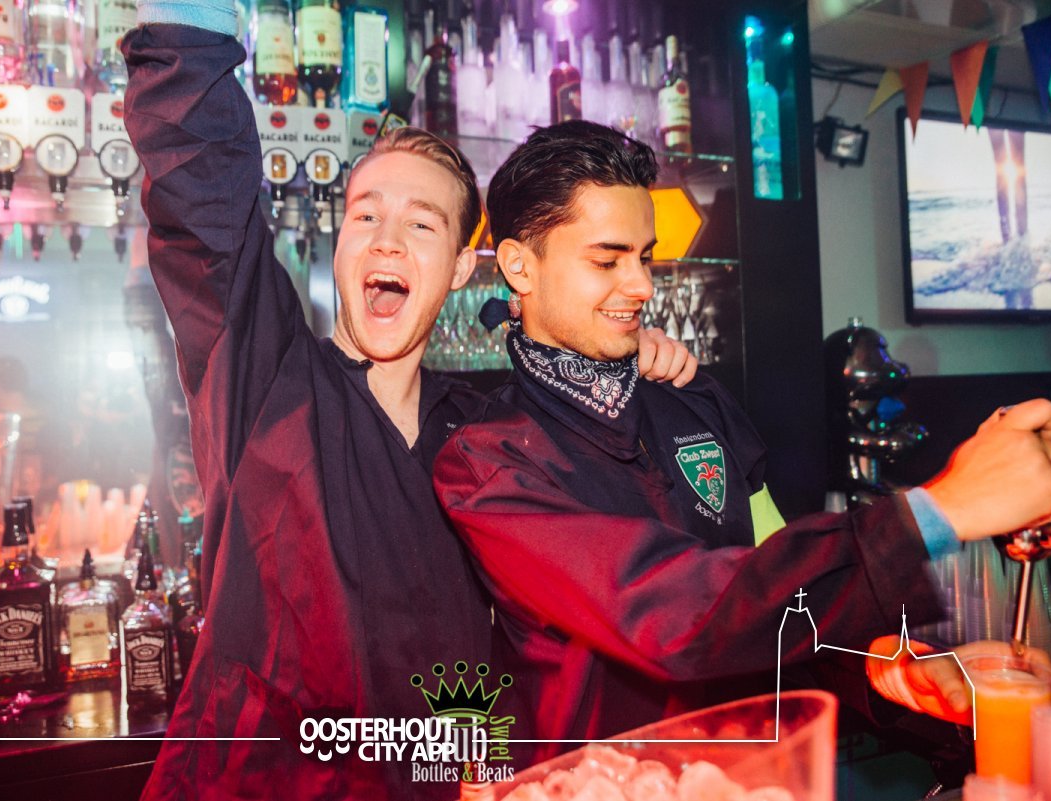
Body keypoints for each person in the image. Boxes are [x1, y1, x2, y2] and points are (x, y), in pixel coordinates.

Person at [121, 9, 696, 799]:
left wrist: (630, 359)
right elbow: (203, 197)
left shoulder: (492, 434)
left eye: (421, 223)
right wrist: (188, 27)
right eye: (366, 215)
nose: (386, 239)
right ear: (340, 244)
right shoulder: (265, 381)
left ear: (460, 268)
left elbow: (566, 619)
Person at [432, 120, 1051, 759]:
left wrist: (882, 664)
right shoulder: (490, 462)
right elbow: (676, 613)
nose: (643, 286)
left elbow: (773, 583)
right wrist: (939, 510)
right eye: (607, 260)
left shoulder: (693, 398)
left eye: (645, 257)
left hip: (755, 769)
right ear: (519, 265)